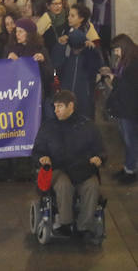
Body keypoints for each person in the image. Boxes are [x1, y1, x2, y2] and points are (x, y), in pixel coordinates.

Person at [32, 89, 105, 239]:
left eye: (60, 106)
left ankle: (85, 226)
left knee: (92, 185)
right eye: (55, 107)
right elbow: (37, 150)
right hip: (58, 169)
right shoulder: (48, 127)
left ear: (71, 106)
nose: (56, 110)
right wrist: (42, 157)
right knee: (63, 184)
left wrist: (99, 158)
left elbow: (100, 150)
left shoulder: (88, 126)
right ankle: (65, 224)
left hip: (82, 169)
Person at [100, 33, 138, 184]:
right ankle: (128, 167)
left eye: (117, 50)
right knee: (127, 139)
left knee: (130, 140)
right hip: (123, 107)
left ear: (124, 47)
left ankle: (131, 171)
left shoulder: (133, 63)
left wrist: (113, 78)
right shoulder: (125, 61)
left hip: (130, 108)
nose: (115, 53)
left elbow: (128, 86)